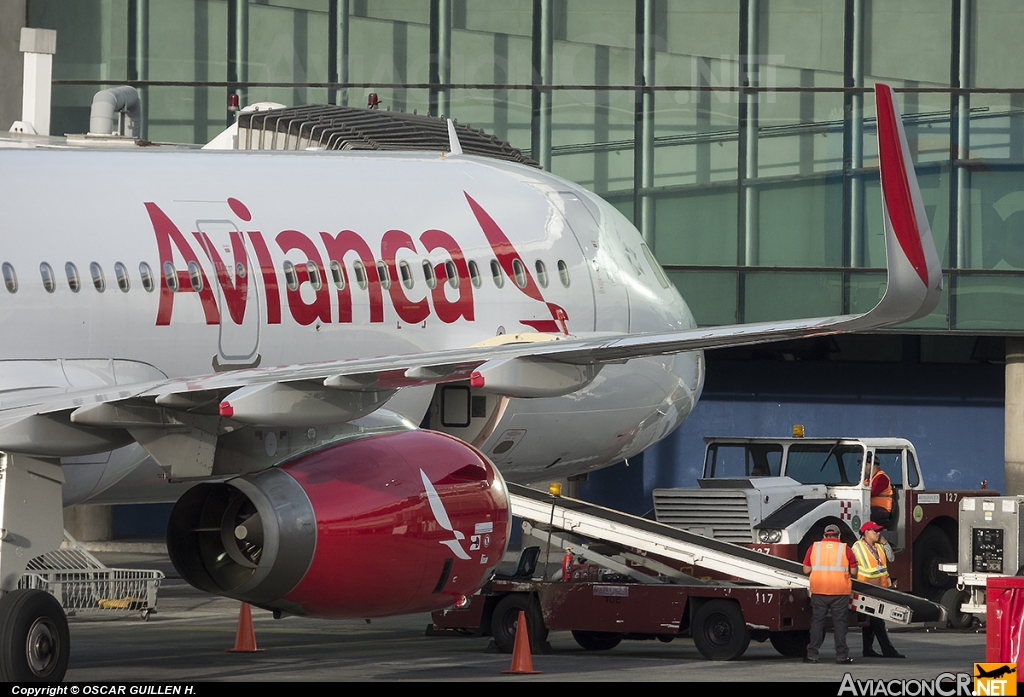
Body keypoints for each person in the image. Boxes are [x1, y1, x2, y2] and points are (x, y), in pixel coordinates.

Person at [803, 524, 858, 664]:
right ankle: (841, 656)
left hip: (819, 590)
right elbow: (853, 572)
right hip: (840, 591)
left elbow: (806, 570)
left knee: (817, 622)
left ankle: (812, 654)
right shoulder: (845, 549)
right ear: (838, 536)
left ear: (824, 535)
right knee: (840, 624)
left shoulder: (814, 547)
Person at [852, 521, 906, 658]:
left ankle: (868, 649)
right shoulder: (857, 547)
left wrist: (885, 542)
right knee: (877, 621)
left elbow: (891, 558)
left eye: (878, 531)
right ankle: (888, 650)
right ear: (866, 532)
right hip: (866, 588)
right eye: (875, 531)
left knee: (870, 621)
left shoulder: (879, 546)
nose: (878, 533)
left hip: (880, 589)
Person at [865, 456, 893, 526]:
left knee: (864, 514)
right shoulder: (868, 478)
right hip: (870, 506)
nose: (863, 468)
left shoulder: (882, 477)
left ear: (872, 465)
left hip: (882, 508)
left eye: (865, 465)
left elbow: (873, 491)